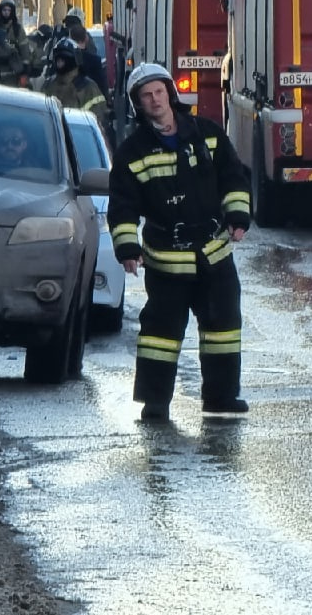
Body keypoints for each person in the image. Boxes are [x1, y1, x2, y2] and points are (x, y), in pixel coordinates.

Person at [109, 63, 252, 421]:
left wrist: (237, 217)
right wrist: (127, 248)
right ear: (138, 104)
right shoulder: (132, 152)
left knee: (222, 329)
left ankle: (221, 398)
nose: (155, 100)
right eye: (146, 96)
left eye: (159, 92)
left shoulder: (207, 134)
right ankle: (155, 402)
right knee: (160, 334)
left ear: (170, 93)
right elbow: (122, 204)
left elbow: (234, 175)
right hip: (167, 260)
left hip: (213, 254)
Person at [41, 38, 110, 135]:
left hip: (79, 143)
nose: (60, 61)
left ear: (75, 59)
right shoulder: (48, 85)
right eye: (58, 57)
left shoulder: (89, 89)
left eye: (64, 57)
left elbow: (98, 123)